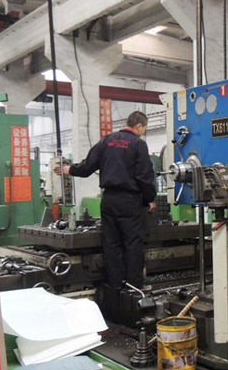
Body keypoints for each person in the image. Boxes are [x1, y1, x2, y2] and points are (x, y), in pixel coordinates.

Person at [60, 111, 157, 290]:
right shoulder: (138, 144)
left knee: (111, 244)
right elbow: (144, 176)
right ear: (139, 126)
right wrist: (150, 198)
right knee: (132, 244)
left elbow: (88, 166)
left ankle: (115, 287)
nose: (143, 132)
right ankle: (133, 289)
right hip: (129, 201)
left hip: (109, 199)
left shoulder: (106, 141)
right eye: (144, 128)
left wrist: (70, 170)